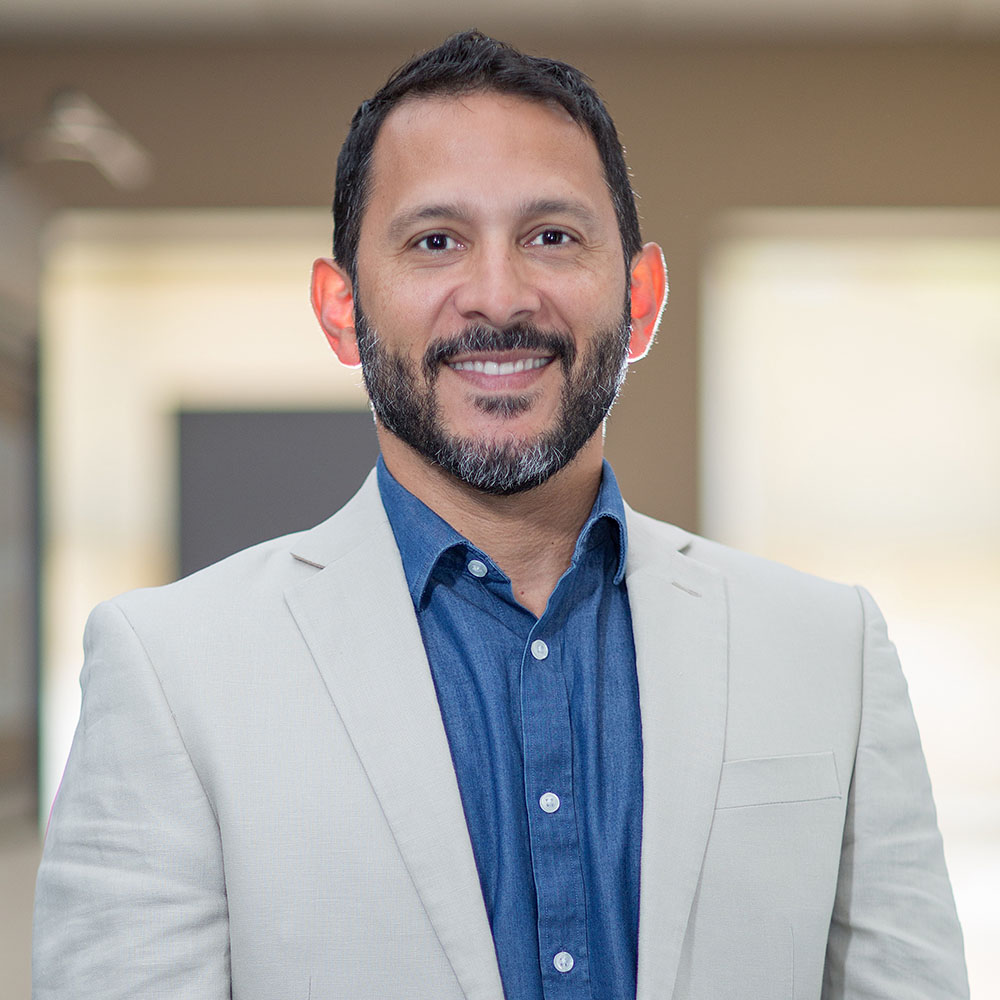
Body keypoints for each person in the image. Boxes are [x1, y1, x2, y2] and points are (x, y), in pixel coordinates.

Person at [33, 29, 968, 1000]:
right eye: (435, 240)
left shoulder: (827, 649)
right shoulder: (173, 672)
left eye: (551, 237)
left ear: (640, 298)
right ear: (341, 307)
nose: (497, 295)